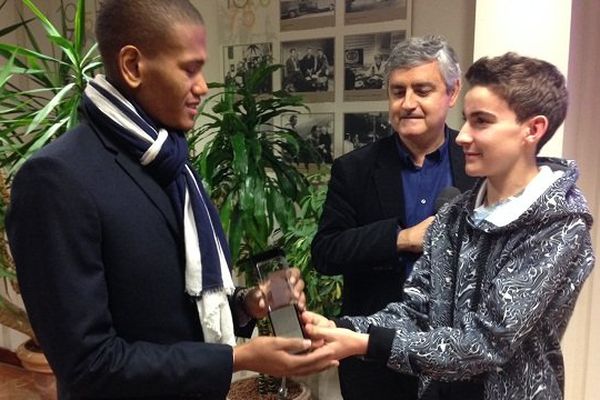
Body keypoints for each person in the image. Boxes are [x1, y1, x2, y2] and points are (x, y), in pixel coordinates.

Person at [5, 1, 336, 399]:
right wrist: (239, 358)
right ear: (132, 66)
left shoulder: (171, 164)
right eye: (189, 69)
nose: (202, 87)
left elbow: (176, 312)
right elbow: (88, 364)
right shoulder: (56, 180)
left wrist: (250, 303)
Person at [304, 52, 595, 400]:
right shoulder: (455, 215)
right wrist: (342, 329)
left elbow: (486, 343)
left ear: (533, 129)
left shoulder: (559, 225)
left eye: (482, 122)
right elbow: (417, 310)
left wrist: (368, 342)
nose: (462, 136)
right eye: (466, 120)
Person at [311, 35, 476, 400]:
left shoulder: (478, 166)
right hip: (373, 359)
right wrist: (400, 239)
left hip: (457, 360)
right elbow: (325, 253)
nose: (408, 103)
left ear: (451, 93)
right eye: (398, 91)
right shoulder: (354, 170)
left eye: (422, 90)